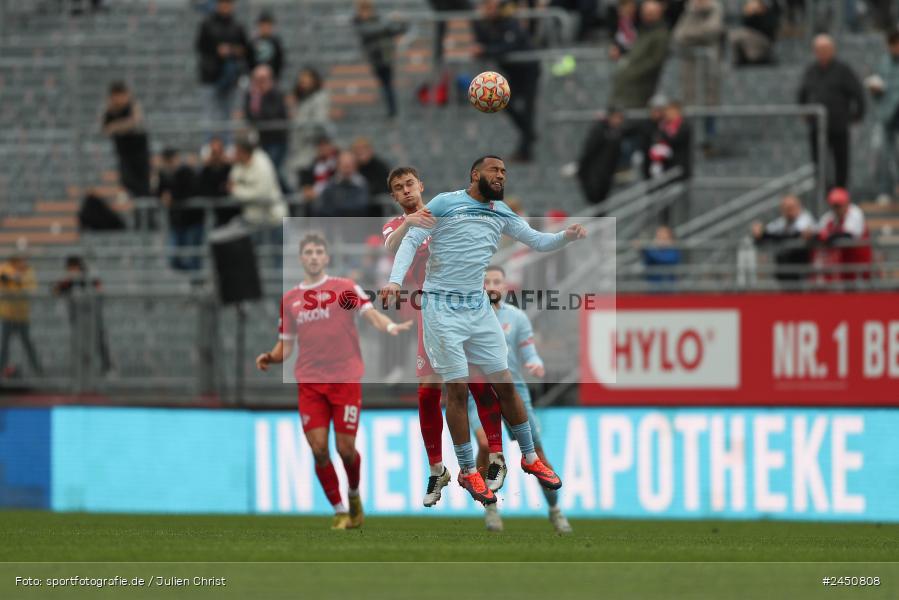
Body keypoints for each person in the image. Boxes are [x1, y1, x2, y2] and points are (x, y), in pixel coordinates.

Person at [381, 156, 586, 505]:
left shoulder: (500, 211)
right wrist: (394, 282)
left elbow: (537, 241)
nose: (502, 175)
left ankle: (530, 458)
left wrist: (565, 237)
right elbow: (407, 243)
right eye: (495, 170)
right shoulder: (444, 203)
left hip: (477, 305)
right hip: (439, 307)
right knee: (456, 389)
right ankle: (466, 470)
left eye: (505, 171)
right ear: (476, 174)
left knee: (503, 383)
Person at [255, 233, 413, 529]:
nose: (314, 257)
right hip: (310, 383)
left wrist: (389, 326)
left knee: (345, 449)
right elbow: (286, 346)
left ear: (326, 258)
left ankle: (353, 494)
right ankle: (340, 509)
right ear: (301, 259)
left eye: (318, 252)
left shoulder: (344, 288)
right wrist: (270, 357)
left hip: (344, 379)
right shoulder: (290, 300)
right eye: (308, 253)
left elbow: (370, 314)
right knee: (317, 448)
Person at [383, 166, 509, 505]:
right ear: (394, 197)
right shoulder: (397, 225)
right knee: (428, 390)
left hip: (466, 307)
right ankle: (437, 468)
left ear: (421, 185)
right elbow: (391, 245)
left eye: (410, 183)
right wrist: (409, 223)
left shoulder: (446, 212)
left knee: (481, 383)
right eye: (399, 188)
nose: (406, 190)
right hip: (430, 312)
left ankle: (497, 456)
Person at [467, 265, 573, 534]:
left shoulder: (517, 318)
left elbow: (528, 351)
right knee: (484, 443)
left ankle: (554, 509)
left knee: (537, 454)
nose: (491, 285)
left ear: (505, 287)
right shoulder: (468, 317)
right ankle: (491, 508)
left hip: (514, 392)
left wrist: (536, 364)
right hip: (478, 392)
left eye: (496, 281)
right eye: (487, 281)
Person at [472, 0, 541, 161]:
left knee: (528, 109)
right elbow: (484, 41)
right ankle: (529, 132)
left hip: (528, 70)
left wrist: (485, 51)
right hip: (513, 72)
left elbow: (507, 46)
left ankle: (526, 150)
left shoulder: (509, 22)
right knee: (505, 102)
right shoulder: (485, 24)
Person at [797, 35, 865, 189]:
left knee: (841, 160)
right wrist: (804, 112)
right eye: (819, 50)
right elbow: (802, 93)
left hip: (838, 124)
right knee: (818, 161)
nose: (822, 53)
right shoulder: (811, 71)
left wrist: (857, 114)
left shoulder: (843, 70)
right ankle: (823, 190)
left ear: (832, 50)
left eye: (826, 49)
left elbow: (858, 93)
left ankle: (841, 192)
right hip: (817, 125)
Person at [672, 0, 723, 150]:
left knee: (709, 106)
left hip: (709, 69)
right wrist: (700, 35)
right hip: (690, 71)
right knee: (690, 107)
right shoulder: (689, 12)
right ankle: (691, 142)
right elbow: (679, 35)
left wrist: (691, 36)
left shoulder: (716, 10)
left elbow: (713, 30)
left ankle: (709, 142)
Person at [194, 0, 249, 131]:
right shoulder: (207, 24)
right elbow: (200, 47)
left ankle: (228, 147)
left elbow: (245, 49)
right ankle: (209, 147)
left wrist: (231, 50)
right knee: (209, 116)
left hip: (230, 77)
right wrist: (216, 51)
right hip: (210, 76)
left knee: (228, 116)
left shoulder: (237, 26)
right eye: (223, 3)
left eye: (228, 3)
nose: (225, 6)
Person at [53, 256, 112, 375]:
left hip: (93, 317)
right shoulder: (69, 280)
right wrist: (65, 282)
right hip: (77, 319)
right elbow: (55, 291)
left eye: (72, 268)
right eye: (69, 268)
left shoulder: (89, 277)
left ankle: (106, 368)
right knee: (79, 345)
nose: (71, 270)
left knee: (98, 341)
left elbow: (100, 289)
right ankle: (83, 371)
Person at [610, 0, 670, 109]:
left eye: (650, 13)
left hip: (641, 89)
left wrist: (632, 71)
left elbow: (655, 61)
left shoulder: (660, 34)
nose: (646, 16)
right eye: (645, 12)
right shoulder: (642, 30)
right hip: (627, 88)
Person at [354, 0, 408, 119]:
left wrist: (402, 20)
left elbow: (400, 30)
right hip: (375, 59)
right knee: (385, 85)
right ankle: (391, 111)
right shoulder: (359, 23)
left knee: (387, 85)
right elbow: (370, 30)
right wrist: (389, 22)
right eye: (363, 10)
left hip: (386, 58)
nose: (365, 13)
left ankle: (392, 112)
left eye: (367, 10)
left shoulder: (379, 20)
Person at [101, 81, 151, 201]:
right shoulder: (110, 111)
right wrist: (123, 126)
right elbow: (106, 129)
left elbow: (135, 122)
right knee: (128, 182)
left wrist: (116, 127)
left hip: (139, 155)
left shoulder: (132, 106)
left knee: (144, 188)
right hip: (124, 155)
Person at [156, 148, 204, 271]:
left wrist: (173, 197)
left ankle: (196, 282)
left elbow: (192, 190)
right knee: (174, 258)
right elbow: (158, 193)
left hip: (193, 220)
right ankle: (193, 275)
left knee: (194, 256)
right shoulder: (163, 174)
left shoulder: (186, 171)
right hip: (176, 221)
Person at [243, 64, 289, 188]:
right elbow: (249, 116)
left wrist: (263, 97)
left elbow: (272, 114)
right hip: (260, 140)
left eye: (262, 79)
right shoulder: (251, 95)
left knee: (272, 170)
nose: (259, 83)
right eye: (256, 80)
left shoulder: (276, 94)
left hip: (276, 140)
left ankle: (289, 195)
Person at [868, 30, 899, 205]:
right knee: (881, 153)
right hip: (887, 115)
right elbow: (876, 87)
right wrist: (875, 89)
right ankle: (884, 190)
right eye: (893, 44)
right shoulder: (883, 63)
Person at [228, 138, 287, 230]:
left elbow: (261, 194)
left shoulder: (262, 163)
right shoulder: (239, 164)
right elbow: (231, 182)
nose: (234, 155)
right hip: (252, 221)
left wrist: (237, 191)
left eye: (236, 151)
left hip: (273, 221)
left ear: (243, 152)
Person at [816, 187, 873, 281]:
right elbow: (818, 232)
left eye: (839, 205)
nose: (837, 208)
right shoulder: (830, 216)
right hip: (842, 263)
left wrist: (828, 236)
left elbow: (848, 235)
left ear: (847, 203)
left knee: (860, 291)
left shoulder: (855, 213)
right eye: (834, 205)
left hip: (859, 261)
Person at [0, 254, 42, 377]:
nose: (22, 263)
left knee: (28, 344)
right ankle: (1, 370)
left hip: (22, 315)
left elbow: (32, 289)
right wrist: (11, 278)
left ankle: (37, 370)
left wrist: (20, 280)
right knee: (5, 345)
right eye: (19, 260)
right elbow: (3, 279)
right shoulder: (4, 268)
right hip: (8, 314)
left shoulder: (28, 271)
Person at [288, 67, 333, 176]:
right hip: (298, 146)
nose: (303, 82)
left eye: (306, 79)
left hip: (312, 147)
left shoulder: (320, 97)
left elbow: (320, 121)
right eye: (301, 79)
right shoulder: (301, 99)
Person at [576, 107, 626, 207]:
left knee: (601, 204)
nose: (618, 121)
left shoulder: (616, 133)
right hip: (594, 174)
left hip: (606, 175)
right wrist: (582, 169)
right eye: (616, 117)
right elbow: (589, 151)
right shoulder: (600, 130)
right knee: (594, 201)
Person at [314, 151, 373, 218]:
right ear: (338, 166)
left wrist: (336, 208)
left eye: (349, 165)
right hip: (334, 225)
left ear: (355, 166)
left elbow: (361, 207)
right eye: (344, 165)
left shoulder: (362, 184)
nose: (347, 169)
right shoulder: (331, 184)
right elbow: (321, 208)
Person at [196, 137, 237, 226]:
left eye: (219, 151)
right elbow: (202, 190)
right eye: (214, 152)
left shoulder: (230, 169)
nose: (217, 156)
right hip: (211, 215)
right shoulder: (205, 171)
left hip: (229, 215)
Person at [730, 0, 778, 66]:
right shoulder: (751, 11)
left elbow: (769, 28)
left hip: (765, 40)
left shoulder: (768, 9)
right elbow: (746, 25)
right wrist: (749, 14)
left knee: (740, 35)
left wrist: (757, 13)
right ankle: (742, 59)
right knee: (736, 34)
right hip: (753, 38)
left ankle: (755, 58)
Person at [298, 136, 339, 209]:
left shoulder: (338, 165)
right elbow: (307, 190)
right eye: (321, 146)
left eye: (326, 145)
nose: (323, 149)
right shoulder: (310, 167)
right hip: (317, 203)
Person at [248, 11, 284, 81]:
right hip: (255, 77)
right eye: (263, 25)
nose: (265, 28)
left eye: (268, 25)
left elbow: (279, 60)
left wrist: (274, 75)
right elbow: (249, 59)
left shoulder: (276, 42)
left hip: (271, 77)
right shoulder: (253, 42)